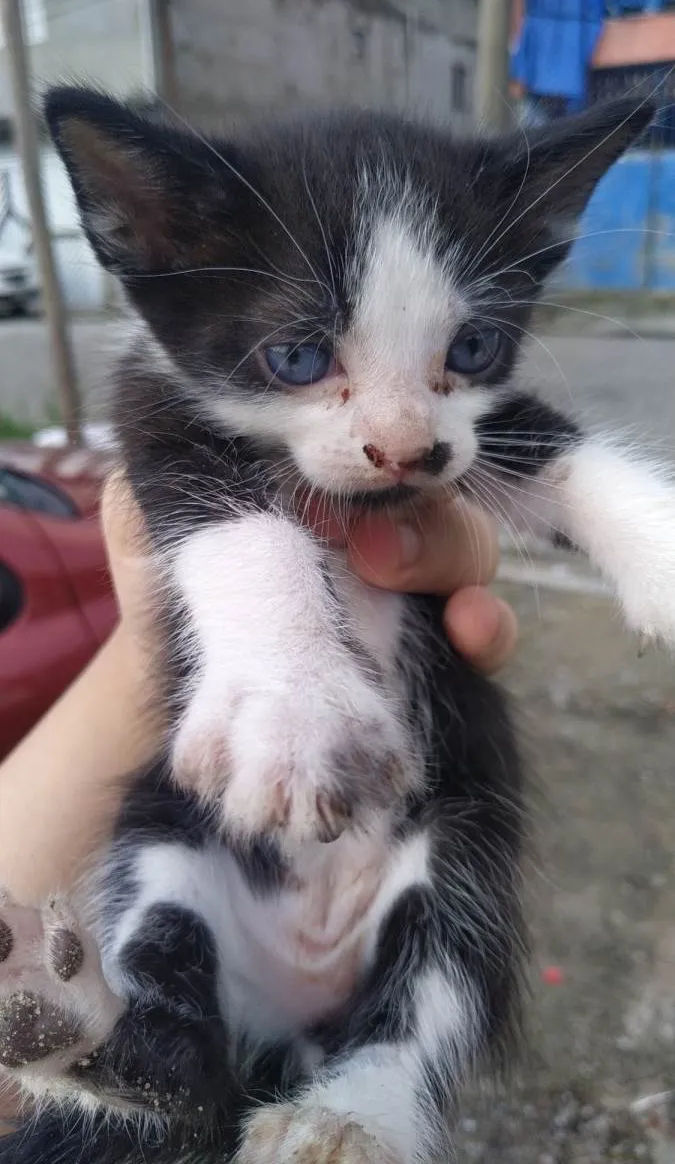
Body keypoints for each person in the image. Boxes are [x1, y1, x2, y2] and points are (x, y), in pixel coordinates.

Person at [0, 476, 517, 1125]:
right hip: (253, 892)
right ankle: (138, 1051)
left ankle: (376, 1096)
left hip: (375, 864)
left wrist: (149, 649)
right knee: (170, 872)